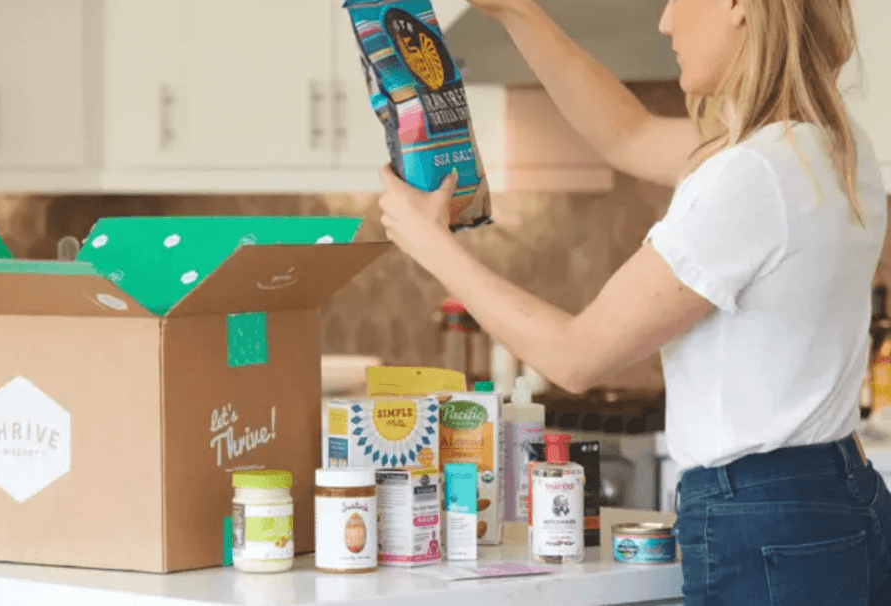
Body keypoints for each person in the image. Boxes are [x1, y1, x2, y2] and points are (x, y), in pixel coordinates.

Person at [375, 0, 891, 602]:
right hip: (834, 495)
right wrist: (519, 13)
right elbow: (629, 134)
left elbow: (575, 356)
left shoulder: (751, 176)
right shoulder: (826, 146)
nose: (666, 21)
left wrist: (429, 243)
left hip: (761, 517)